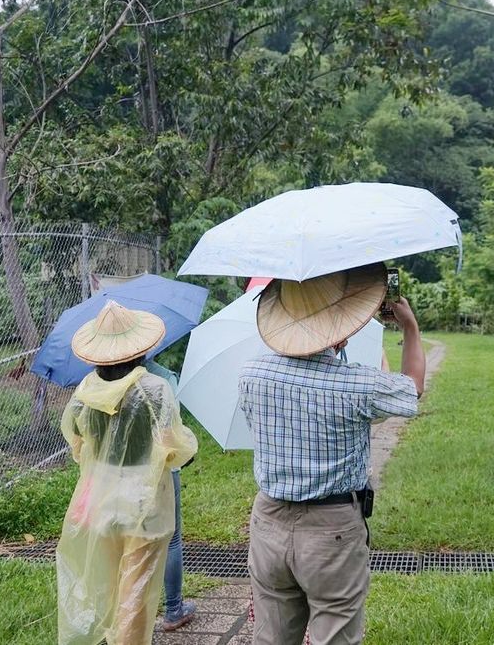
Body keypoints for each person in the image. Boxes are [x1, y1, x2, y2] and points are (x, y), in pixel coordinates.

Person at [238, 262, 425, 645]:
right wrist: (409, 327)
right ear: (341, 328)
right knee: (336, 635)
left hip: (268, 523)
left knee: (271, 637)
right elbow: (413, 389)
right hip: (332, 531)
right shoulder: (357, 385)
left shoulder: (251, 373)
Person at [56, 300, 198, 645]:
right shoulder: (154, 390)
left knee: (105, 580)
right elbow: (174, 449)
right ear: (140, 348)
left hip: (99, 498)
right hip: (144, 500)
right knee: (136, 586)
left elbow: (76, 441)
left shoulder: (85, 391)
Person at [144, 360, 198, 632]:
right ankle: (174, 609)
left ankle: (132, 615)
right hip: (163, 471)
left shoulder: (104, 380)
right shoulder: (163, 379)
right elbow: (170, 432)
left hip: (122, 473)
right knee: (171, 539)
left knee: (133, 541)